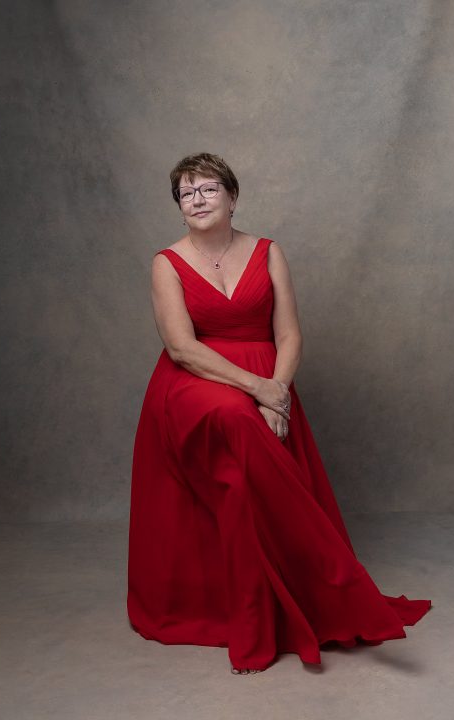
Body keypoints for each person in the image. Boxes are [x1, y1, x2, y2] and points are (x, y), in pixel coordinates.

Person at [127, 152, 432, 675]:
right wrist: (261, 394)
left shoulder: (268, 252)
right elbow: (181, 349)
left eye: (208, 189)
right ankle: (335, 578)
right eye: (186, 193)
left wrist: (281, 390)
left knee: (245, 472)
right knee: (237, 418)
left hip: (270, 377)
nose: (197, 200)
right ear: (179, 208)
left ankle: (270, 612)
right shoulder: (166, 262)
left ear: (232, 195)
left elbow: (289, 334)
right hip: (196, 383)